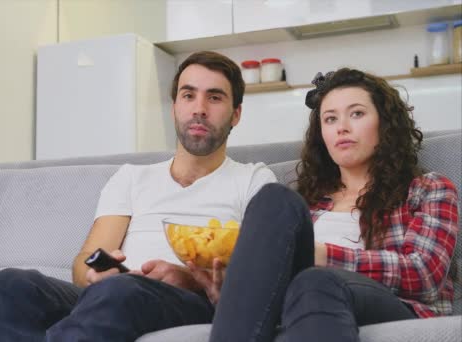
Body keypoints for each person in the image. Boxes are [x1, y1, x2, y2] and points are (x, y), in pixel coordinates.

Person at [0, 51, 277, 342]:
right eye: (188, 95)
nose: (199, 109)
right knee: (0, 286)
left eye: (215, 98)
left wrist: (192, 280)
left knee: (121, 292)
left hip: (189, 301)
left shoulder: (254, 180)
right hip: (110, 294)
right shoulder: (132, 177)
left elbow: (262, 272)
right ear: (175, 106)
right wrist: (97, 271)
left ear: (236, 114)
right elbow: (86, 262)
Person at [190, 68, 459, 342]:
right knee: (274, 198)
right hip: (300, 302)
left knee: (315, 280)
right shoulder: (305, 204)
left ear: (385, 123)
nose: (342, 127)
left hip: (393, 304)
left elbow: (424, 274)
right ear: (322, 135)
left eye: (356, 113)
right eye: (330, 119)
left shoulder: (428, 189)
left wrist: (317, 256)